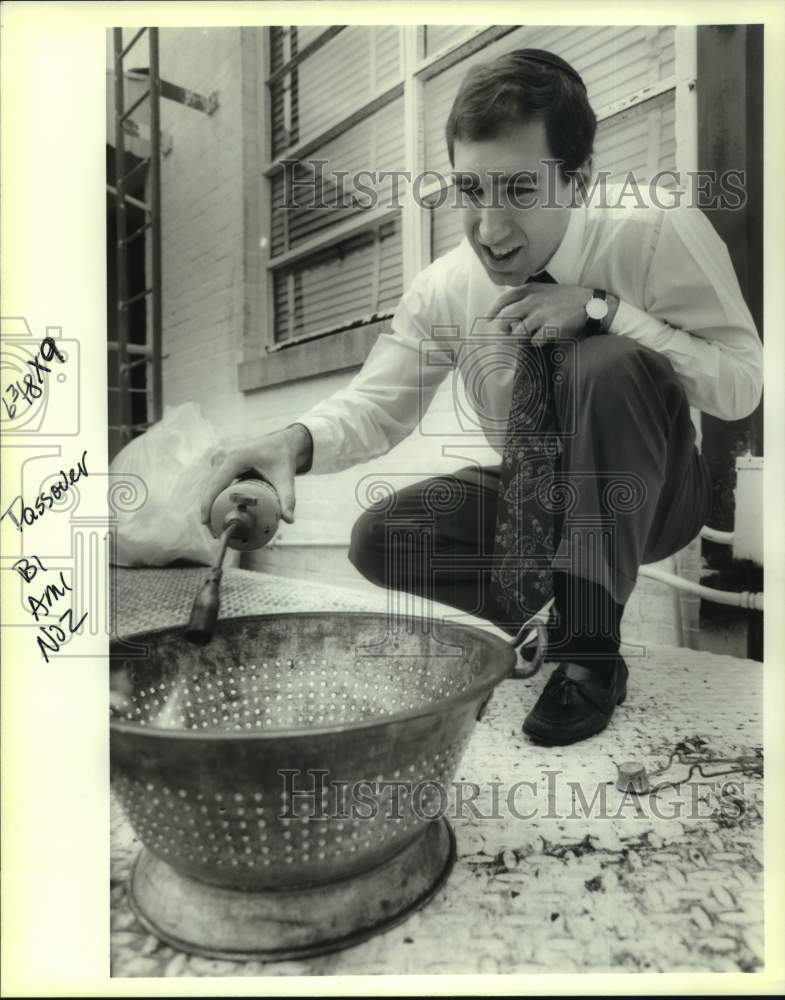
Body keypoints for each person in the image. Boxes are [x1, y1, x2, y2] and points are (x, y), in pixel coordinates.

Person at [201, 49, 762, 746]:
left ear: (579, 180)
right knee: (385, 539)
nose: (490, 229)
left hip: (656, 496)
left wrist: (601, 308)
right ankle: (550, 623)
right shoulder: (445, 288)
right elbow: (378, 405)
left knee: (602, 361)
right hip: (536, 496)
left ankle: (588, 656)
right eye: (470, 190)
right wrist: (288, 442)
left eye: (520, 190)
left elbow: (741, 386)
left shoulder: (652, 231)